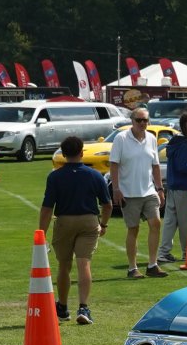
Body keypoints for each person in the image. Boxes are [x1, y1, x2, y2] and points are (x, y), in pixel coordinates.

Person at [38, 135, 112, 324]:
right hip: (89, 221)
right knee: (84, 263)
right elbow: (107, 204)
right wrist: (103, 224)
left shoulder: (55, 176)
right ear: (81, 152)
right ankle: (83, 307)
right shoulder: (95, 175)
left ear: (63, 154)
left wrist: (41, 233)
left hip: (64, 221)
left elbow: (47, 208)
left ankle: (62, 307)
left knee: (64, 265)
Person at [108, 107, 167, 278]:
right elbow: (114, 165)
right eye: (139, 120)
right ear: (132, 121)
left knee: (156, 223)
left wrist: (160, 188)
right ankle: (132, 268)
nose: (142, 123)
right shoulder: (121, 138)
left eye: (145, 120)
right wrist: (116, 189)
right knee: (133, 229)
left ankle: (152, 264)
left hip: (149, 191)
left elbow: (155, 166)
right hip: (128, 193)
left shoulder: (151, 138)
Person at [156, 111, 187, 267]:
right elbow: (184, 167)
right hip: (184, 187)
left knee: (170, 222)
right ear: (186, 124)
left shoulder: (174, 141)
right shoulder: (184, 143)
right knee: (185, 222)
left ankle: (163, 252)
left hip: (173, 186)